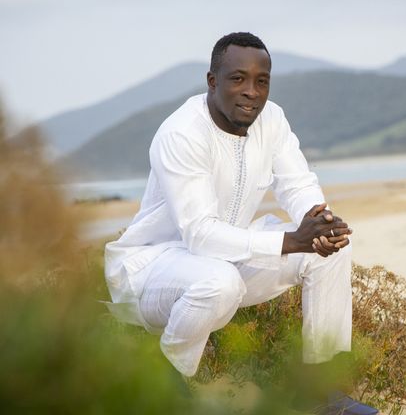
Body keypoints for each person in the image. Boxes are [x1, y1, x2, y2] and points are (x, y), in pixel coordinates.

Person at [104, 32, 377, 414]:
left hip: (230, 256)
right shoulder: (182, 133)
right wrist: (290, 241)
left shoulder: (273, 120)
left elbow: (297, 184)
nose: (252, 91)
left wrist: (319, 222)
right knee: (219, 281)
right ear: (212, 82)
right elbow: (199, 233)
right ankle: (165, 381)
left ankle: (322, 392)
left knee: (326, 255)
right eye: (237, 79)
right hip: (154, 270)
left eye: (261, 81)